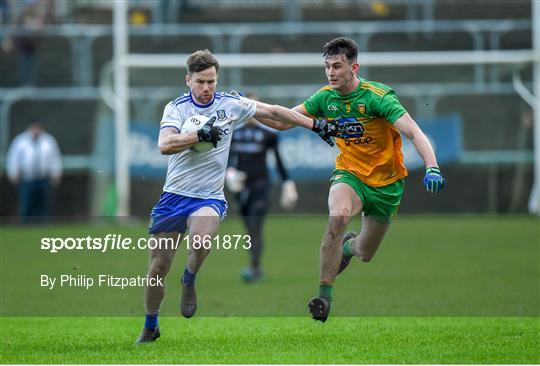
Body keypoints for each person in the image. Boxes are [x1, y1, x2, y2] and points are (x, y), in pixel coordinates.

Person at [136, 49, 334, 343]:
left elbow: (274, 112)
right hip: (174, 197)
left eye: (212, 81)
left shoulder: (230, 104)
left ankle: (189, 278)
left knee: (201, 241)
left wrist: (313, 124)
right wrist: (199, 136)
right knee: (157, 268)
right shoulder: (175, 109)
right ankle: (150, 325)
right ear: (188, 80)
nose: (206, 88)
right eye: (201, 82)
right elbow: (165, 144)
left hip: (208, 197)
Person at [291, 37, 446, 322]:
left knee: (365, 252)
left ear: (354, 67)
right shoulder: (325, 97)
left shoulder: (377, 97)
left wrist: (432, 166)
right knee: (337, 216)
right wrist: (249, 111)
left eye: (337, 66)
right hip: (350, 174)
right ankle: (324, 297)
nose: (331, 72)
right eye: (327, 66)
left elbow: (414, 133)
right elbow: (286, 117)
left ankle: (348, 247)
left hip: (387, 184)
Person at [226, 92, 298, 283]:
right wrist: (230, 174)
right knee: (249, 229)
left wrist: (287, 183)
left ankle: (255, 267)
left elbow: (279, 160)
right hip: (240, 187)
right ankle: (254, 264)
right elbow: (226, 160)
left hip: (260, 185)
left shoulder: (268, 134)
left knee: (255, 226)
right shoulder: (233, 133)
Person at [6, 122, 62, 222]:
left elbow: (55, 158)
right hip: (27, 178)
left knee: (43, 203)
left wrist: (56, 173)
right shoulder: (20, 141)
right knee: (26, 203)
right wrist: (13, 173)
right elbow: (13, 158)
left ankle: (43, 226)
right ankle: (25, 225)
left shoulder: (48, 141)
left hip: (43, 178)